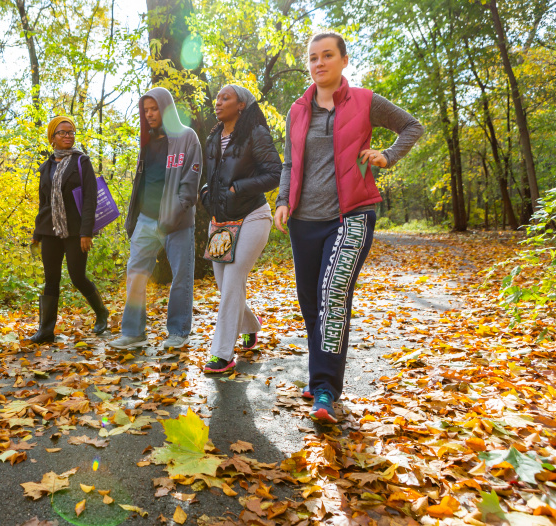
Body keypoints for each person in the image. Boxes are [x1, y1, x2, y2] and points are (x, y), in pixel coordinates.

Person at [275, 32, 424, 422]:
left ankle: (326, 389)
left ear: (343, 60)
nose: (319, 63)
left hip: (353, 213)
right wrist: (281, 201)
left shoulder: (364, 101)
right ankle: (317, 375)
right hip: (303, 221)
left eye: (327, 55)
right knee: (311, 301)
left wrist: (387, 156)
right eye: (312, 57)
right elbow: (289, 163)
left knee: (334, 293)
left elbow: (411, 126)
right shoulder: (297, 110)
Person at [109, 88, 202, 351]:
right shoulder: (146, 140)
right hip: (145, 221)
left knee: (181, 278)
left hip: (177, 222)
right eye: (145, 110)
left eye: (154, 109)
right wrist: (135, 217)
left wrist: (175, 214)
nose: (149, 114)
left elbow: (190, 183)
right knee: (135, 275)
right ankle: (134, 332)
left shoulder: (187, 137)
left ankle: (178, 332)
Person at [199, 85, 282, 374]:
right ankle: (250, 325)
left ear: (241, 105)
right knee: (226, 286)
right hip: (221, 220)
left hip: (252, 216)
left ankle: (222, 354)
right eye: (217, 98)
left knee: (233, 279)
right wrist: (206, 193)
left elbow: (275, 173)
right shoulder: (212, 138)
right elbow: (210, 175)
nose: (218, 102)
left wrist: (237, 189)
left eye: (226, 98)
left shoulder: (254, 134)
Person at [29, 116, 109, 343]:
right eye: (62, 132)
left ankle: (101, 312)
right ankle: (46, 330)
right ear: (52, 137)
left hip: (76, 231)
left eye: (71, 132)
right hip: (50, 230)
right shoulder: (46, 167)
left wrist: (86, 233)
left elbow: (90, 199)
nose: (68, 136)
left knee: (77, 276)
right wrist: (37, 233)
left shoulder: (81, 162)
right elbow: (43, 203)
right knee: (51, 278)